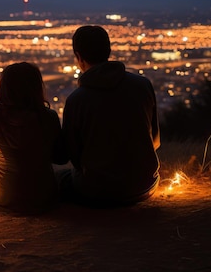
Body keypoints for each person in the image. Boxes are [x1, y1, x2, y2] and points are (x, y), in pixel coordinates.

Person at [59, 25, 161, 207]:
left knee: (57, 179)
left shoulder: (77, 100)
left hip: (97, 191)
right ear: (109, 50)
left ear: (79, 57)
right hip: (145, 185)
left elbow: (72, 155)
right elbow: (155, 140)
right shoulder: (143, 85)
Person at [0, 62, 64, 214]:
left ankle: (0, 194)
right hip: (44, 198)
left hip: (4, 199)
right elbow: (60, 157)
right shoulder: (49, 118)